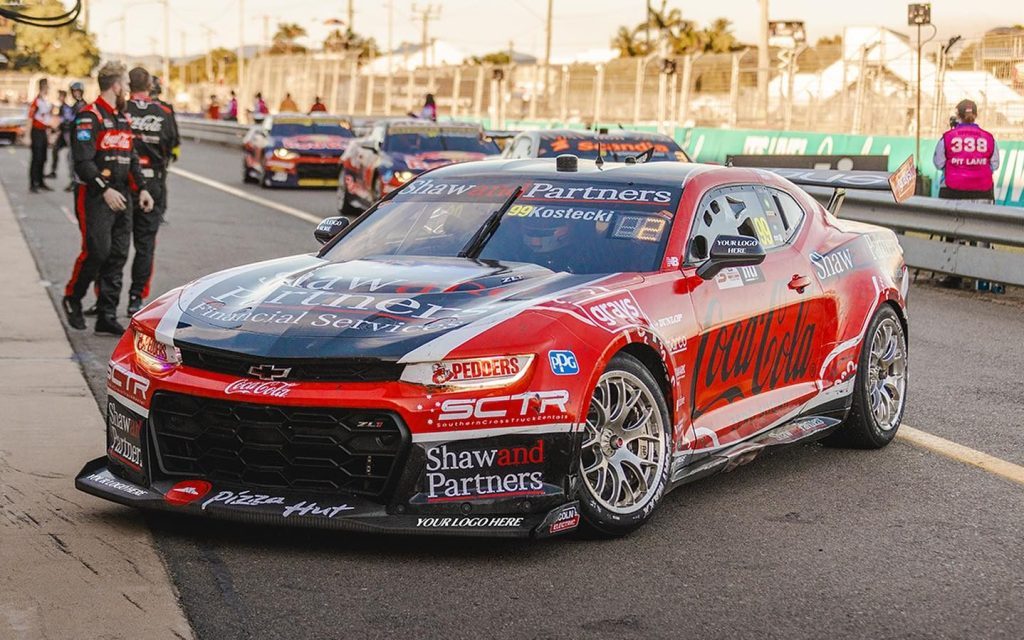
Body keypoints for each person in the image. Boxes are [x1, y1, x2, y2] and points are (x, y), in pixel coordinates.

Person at [63, 61, 154, 335]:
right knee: (98, 251)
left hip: (123, 195)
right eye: (125, 85)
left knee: (117, 255)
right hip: (95, 194)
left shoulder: (123, 118)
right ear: (115, 86)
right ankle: (73, 298)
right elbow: (82, 162)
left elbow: (132, 157)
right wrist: (104, 189)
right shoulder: (88, 116)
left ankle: (106, 314)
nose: (128, 89)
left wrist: (144, 188)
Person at [124, 66, 177, 316]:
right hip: (153, 183)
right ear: (150, 85)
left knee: (115, 244)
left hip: (124, 182)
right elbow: (172, 144)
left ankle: (105, 302)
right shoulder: (164, 111)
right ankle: (136, 298)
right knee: (145, 245)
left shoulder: (120, 110)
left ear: (128, 85)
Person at [933, 99, 1002, 290]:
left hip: (953, 191)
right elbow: (995, 164)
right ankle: (981, 278)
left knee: (954, 234)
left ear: (958, 115)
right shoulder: (988, 138)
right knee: (981, 234)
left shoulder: (948, 137)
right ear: (976, 115)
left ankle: (953, 276)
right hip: (982, 192)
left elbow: (938, 163)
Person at [27, 78, 52, 192]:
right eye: (47, 86)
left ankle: (41, 181)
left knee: (43, 157)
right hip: (36, 131)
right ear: (43, 87)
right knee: (36, 158)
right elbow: (30, 118)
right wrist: (27, 136)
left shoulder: (45, 101)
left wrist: (49, 133)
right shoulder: (36, 101)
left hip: (43, 132)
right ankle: (33, 183)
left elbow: (47, 119)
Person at [65, 82, 87, 191]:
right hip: (73, 136)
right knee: (70, 159)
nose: (75, 94)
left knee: (76, 160)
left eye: (77, 91)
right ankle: (73, 180)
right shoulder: (75, 105)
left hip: (79, 138)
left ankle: (77, 181)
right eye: (74, 92)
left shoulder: (83, 106)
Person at [47, 89, 74, 178]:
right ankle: (53, 171)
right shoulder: (61, 107)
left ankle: (72, 178)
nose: (59, 98)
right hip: (63, 132)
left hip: (67, 132)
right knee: (55, 149)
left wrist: (57, 127)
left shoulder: (65, 107)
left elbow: (67, 119)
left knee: (71, 154)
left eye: (60, 96)